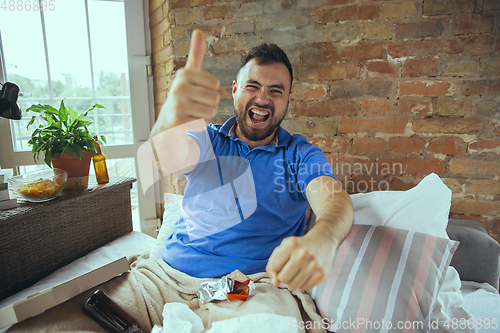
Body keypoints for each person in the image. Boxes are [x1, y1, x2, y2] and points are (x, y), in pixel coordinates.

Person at [149, 29, 354, 292]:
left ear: (289, 100)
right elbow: (164, 158)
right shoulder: (207, 139)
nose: (262, 99)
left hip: (250, 290)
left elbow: (333, 199)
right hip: (169, 277)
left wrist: (323, 237)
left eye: (276, 91)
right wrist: (169, 118)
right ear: (235, 90)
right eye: (252, 86)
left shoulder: (300, 155)